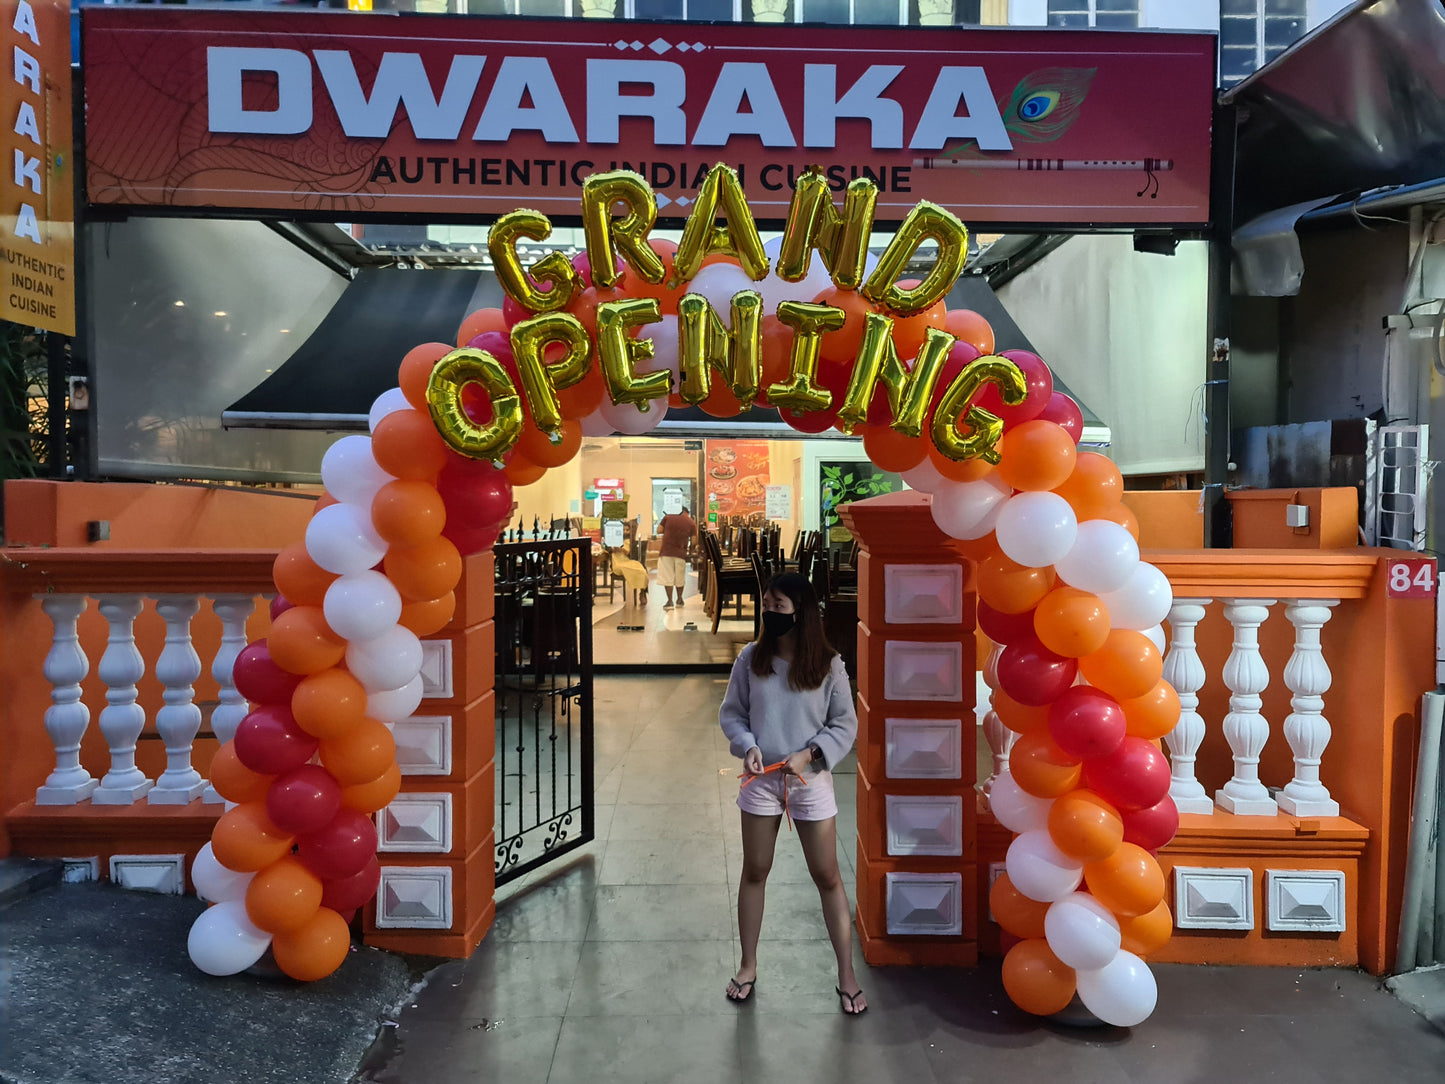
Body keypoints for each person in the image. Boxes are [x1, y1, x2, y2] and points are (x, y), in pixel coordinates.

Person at [717, 571, 867, 1015]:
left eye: (779, 606)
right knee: (755, 871)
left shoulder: (829, 664)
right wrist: (748, 747)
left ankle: (846, 974)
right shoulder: (750, 658)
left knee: (828, 877)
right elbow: (733, 714)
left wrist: (812, 753)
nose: (770, 612)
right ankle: (748, 965)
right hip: (762, 782)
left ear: (801, 613)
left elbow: (845, 723)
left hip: (810, 781)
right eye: (767, 604)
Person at [655, 504, 697, 609]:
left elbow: (659, 530)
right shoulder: (691, 522)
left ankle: (669, 601)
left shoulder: (668, 516)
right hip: (681, 553)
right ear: (686, 512)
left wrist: (670, 532)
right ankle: (679, 599)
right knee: (680, 577)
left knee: (667, 577)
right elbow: (694, 541)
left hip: (666, 551)